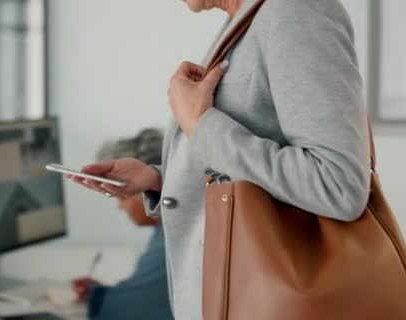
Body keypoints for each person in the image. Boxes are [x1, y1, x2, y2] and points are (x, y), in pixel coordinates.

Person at [67, 0, 370, 319]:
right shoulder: (249, 22)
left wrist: (201, 123)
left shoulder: (295, 12)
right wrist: (162, 178)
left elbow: (337, 185)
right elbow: (242, 167)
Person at [71, 129, 173, 320]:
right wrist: (98, 291)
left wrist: (98, 296)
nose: (120, 207)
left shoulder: (172, 235)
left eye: (122, 197)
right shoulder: (167, 228)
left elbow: (132, 309)